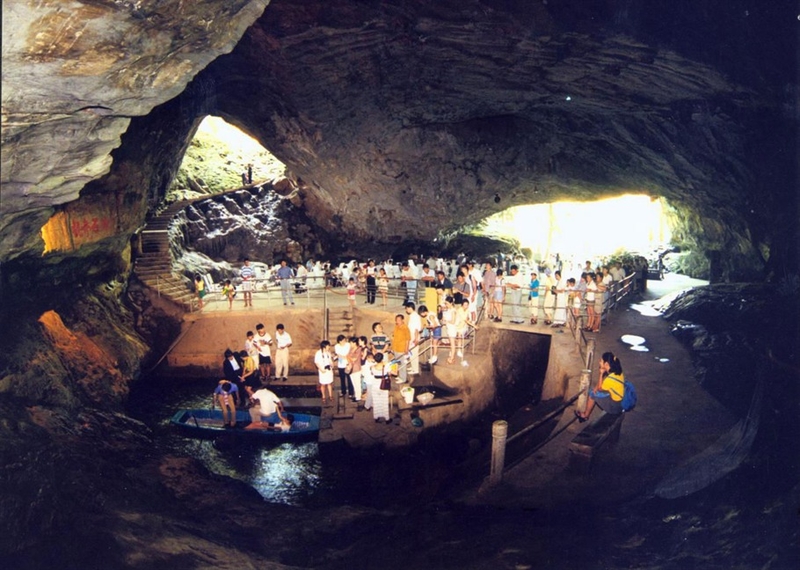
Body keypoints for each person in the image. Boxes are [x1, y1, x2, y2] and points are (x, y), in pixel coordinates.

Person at [576, 352, 625, 422]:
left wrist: (601, 374)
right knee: (594, 390)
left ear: (606, 364)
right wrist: (595, 389)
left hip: (614, 406)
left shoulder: (609, 379)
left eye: (601, 361)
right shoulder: (618, 372)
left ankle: (585, 415)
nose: (599, 362)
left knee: (592, 394)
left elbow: (599, 388)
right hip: (620, 402)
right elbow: (600, 386)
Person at [369, 352, 392, 424]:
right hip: (383, 384)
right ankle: (387, 418)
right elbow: (390, 373)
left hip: (375, 385)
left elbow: (372, 373)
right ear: (382, 358)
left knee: (376, 401)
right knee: (384, 401)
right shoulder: (386, 366)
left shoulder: (372, 367)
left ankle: (376, 417)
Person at [391, 313, 410, 383]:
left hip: (402, 348)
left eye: (399, 320)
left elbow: (408, 339)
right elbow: (394, 337)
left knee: (403, 364)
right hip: (396, 348)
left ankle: (403, 378)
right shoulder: (396, 327)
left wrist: (406, 348)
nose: (397, 321)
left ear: (402, 320)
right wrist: (392, 348)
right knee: (398, 363)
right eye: (396, 320)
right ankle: (400, 376)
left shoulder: (405, 328)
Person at [405, 301, 423, 376]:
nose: (406, 310)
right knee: (411, 352)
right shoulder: (412, 316)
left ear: (410, 308)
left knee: (414, 353)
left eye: (406, 308)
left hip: (414, 336)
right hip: (411, 335)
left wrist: (416, 339)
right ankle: (413, 367)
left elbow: (416, 329)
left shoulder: (415, 316)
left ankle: (415, 369)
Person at [315, 340, 334, 405]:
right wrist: (321, 369)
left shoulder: (328, 353)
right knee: (323, 384)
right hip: (322, 370)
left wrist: (332, 364)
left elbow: (330, 360)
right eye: (328, 346)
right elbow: (316, 362)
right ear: (324, 346)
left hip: (329, 370)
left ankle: (330, 396)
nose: (329, 347)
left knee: (329, 383)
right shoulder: (318, 353)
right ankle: (323, 397)